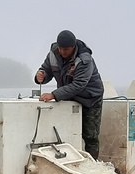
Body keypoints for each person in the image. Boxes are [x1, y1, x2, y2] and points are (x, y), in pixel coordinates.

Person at [35, 29, 104, 159]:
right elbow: (46, 69)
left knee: (90, 136)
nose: (62, 52)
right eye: (60, 48)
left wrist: (53, 95)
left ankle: (93, 164)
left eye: (66, 49)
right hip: (68, 97)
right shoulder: (53, 54)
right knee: (65, 132)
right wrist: (41, 75)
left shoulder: (84, 60)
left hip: (90, 98)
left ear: (73, 47)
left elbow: (78, 85)